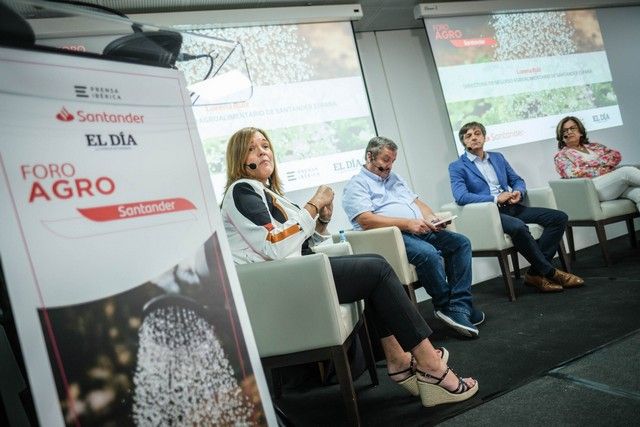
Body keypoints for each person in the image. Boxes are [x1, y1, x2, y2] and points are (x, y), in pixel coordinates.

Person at [220, 127, 478, 407]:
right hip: (282, 285)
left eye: (265, 145)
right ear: (239, 158)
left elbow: (302, 242)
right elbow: (275, 245)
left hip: (298, 274)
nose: (262, 151)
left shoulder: (268, 192)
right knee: (376, 270)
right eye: (252, 148)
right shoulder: (242, 190)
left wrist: (322, 220)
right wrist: (312, 205)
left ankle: (400, 360)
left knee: (375, 266)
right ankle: (430, 366)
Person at [342, 136, 484, 338]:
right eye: (385, 160)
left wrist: (431, 218)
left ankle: (460, 306)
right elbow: (366, 220)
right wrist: (408, 224)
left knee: (461, 243)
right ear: (369, 156)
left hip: (417, 230)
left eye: (392, 161)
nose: (389, 166)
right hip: (391, 237)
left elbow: (418, 203)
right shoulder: (357, 185)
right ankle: (444, 306)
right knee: (428, 253)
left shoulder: (395, 179)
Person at [449, 121, 584, 293]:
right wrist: (495, 198)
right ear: (464, 142)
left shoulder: (497, 157)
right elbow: (460, 196)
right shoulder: (457, 166)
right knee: (519, 227)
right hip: (490, 214)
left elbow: (517, 180)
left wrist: (518, 192)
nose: (474, 137)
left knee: (559, 217)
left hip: (512, 207)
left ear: (484, 137)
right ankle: (551, 272)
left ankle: (535, 273)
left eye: (477, 133)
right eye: (468, 136)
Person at [554, 116, 640, 212]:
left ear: (580, 131)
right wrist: (605, 165)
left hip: (613, 183)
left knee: (638, 194)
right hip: (593, 189)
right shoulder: (561, 156)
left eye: (572, 128)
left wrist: (589, 165)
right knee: (626, 171)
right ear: (561, 136)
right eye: (565, 130)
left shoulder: (594, 146)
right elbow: (574, 174)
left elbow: (615, 156)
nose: (569, 132)